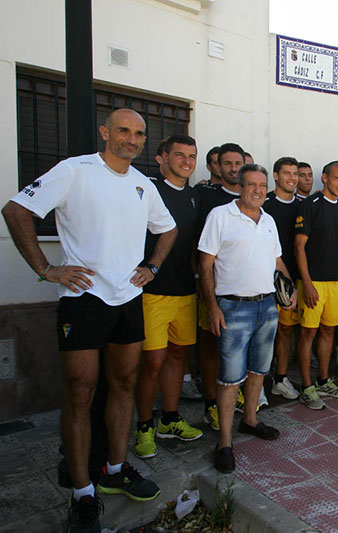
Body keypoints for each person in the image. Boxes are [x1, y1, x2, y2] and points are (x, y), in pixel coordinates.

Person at [2, 108, 175, 531]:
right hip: (84, 299)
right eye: (123, 131)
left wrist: (151, 266)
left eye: (138, 134)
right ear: (105, 132)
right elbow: (16, 210)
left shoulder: (141, 184)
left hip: (128, 298)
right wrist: (46, 269)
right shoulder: (75, 170)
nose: (131, 140)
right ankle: (82, 492)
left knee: (124, 385)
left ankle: (116, 470)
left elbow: (167, 229)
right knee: (81, 390)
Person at [197, 164, 294, 473]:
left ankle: (250, 420)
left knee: (257, 370)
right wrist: (212, 307)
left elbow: (277, 259)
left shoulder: (269, 220)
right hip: (232, 308)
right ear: (239, 187)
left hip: (267, 306)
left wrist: (288, 289)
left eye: (262, 184)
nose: (257, 189)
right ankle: (224, 441)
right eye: (251, 184)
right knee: (229, 377)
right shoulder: (220, 216)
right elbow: (205, 262)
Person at [134, 135, 203, 460]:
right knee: (153, 362)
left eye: (191, 155)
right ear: (162, 158)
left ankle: (170, 419)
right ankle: (145, 425)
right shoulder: (146, 188)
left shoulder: (194, 196)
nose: (186, 161)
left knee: (178, 358)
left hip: (185, 291)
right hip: (152, 293)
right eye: (179, 155)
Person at [294, 161, 338, 409]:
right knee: (308, 333)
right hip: (313, 282)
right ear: (325, 178)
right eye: (337, 178)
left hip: (335, 282)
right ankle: (306, 387)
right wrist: (307, 283)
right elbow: (299, 247)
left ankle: (323, 380)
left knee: (329, 331)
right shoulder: (310, 205)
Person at [195, 143, 244, 431]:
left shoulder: (252, 197)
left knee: (236, 346)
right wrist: (201, 281)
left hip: (243, 290)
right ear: (217, 166)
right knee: (211, 342)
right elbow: (196, 241)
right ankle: (211, 403)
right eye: (227, 163)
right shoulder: (205, 196)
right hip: (213, 285)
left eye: (238, 162)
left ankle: (233, 396)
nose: (233, 168)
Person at [263, 156, 303, 401]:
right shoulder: (264, 203)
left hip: (291, 280)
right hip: (263, 280)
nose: (292, 178)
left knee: (286, 331)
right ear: (276, 175)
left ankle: (280, 378)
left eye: (295, 173)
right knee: (262, 334)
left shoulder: (302, 205)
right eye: (286, 173)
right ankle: (254, 385)